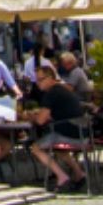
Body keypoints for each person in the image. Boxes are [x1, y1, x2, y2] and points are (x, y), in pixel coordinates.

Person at [27, 66, 89, 194]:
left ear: (50, 78)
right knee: (59, 150)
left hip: (69, 133)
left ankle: (61, 176)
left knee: (35, 148)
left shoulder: (51, 94)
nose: (38, 83)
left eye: (40, 80)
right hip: (82, 132)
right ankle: (79, 174)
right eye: (36, 80)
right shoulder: (62, 90)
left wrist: (29, 116)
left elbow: (40, 121)